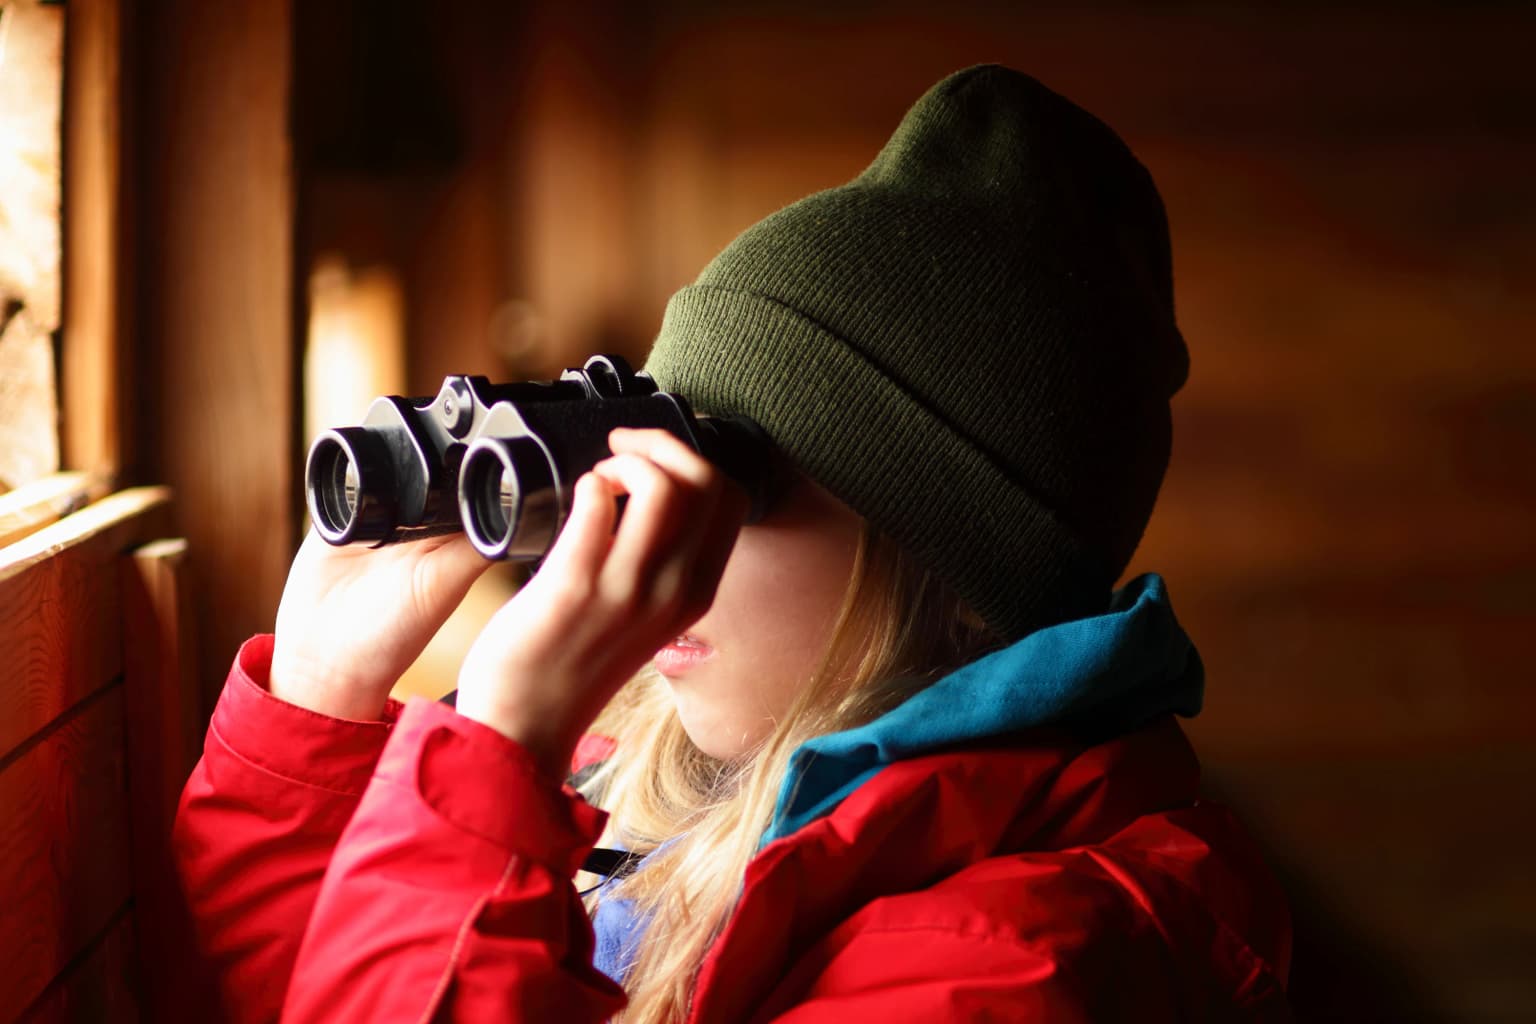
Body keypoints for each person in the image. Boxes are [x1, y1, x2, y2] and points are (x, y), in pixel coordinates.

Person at [173, 65, 1293, 1022]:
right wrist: (319, 704)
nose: (664, 521)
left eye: (740, 479)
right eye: (662, 451)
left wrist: (496, 760)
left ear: (951, 572)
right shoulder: (662, 781)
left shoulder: (1008, 961)